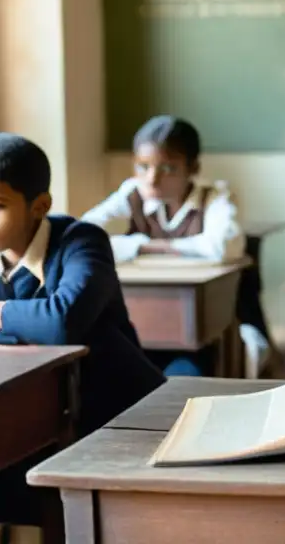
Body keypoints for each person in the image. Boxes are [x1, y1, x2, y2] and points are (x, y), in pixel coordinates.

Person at [0, 132, 165, 433]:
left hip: (123, 418)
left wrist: (1, 316)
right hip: (32, 409)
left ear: (40, 206)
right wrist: (29, 325)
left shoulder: (82, 242)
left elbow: (64, 322)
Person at [82, 116, 271, 376]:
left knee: (190, 367)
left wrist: (141, 246)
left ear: (193, 168)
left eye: (168, 168)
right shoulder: (132, 193)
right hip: (148, 315)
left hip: (205, 318)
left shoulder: (214, 197)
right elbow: (84, 235)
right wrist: (146, 246)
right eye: (142, 166)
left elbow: (224, 246)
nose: (152, 178)